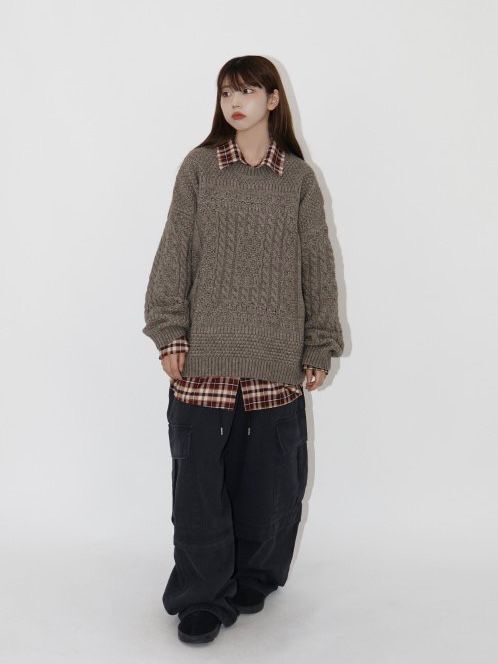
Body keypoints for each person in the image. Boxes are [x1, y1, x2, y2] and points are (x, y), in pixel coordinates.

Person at [142, 55, 344, 645]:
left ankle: (253, 577)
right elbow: (174, 250)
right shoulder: (200, 168)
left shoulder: (298, 180)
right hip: (204, 357)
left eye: (248, 91)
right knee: (199, 490)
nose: (235, 103)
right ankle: (202, 596)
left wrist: (319, 342)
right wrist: (169, 331)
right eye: (227, 92)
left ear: (273, 99)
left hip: (275, 359)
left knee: (271, 486)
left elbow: (317, 267)